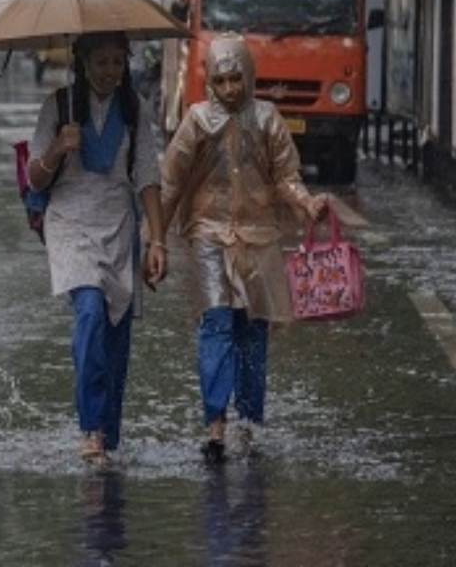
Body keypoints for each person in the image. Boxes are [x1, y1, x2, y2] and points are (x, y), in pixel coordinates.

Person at [158, 33, 328, 464]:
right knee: (215, 324)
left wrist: (307, 203)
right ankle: (215, 424)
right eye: (221, 80)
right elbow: (171, 182)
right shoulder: (195, 121)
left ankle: (250, 422)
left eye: (236, 79)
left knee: (254, 329)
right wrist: (154, 238)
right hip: (208, 236)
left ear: (249, 76)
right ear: (208, 82)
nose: (230, 88)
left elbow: (286, 174)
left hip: (258, 238)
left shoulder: (268, 119)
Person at [25, 30, 167, 466]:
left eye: (117, 62)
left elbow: (146, 176)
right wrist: (57, 149)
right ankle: (89, 430)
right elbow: (34, 177)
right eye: (101, 62)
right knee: (89, 312)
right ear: (83, 63)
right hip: (69, 222)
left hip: (119, 223)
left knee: (116, 331)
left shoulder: (133, 109)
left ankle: (108, 432)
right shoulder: (59, 106)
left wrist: (156, 239)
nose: (109, 70)